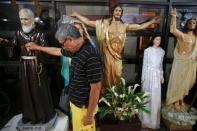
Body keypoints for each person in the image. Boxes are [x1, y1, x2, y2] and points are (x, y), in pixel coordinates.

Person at [26, 23, 102, 131]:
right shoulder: (77, 50)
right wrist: (37, 47)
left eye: (62, 43)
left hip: (84, 108)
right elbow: (57, 51)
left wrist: (89, 116)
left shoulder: (90, 55)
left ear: (70, 39)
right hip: (77, 104)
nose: (62, 47)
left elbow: (96, 88)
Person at [70, 5, 161, 91]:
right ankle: (108, 95)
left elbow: (140, 26)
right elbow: (89, 22)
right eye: (116, 10)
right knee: (107, 74)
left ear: (121, 13)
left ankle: (116, 93)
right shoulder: (104, 24)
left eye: (120, 11)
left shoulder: (124, 25)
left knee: (118, 73)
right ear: (112, 12)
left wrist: (152, 22)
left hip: (118, 55)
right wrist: (77, 15)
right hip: (107, 54)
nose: (118, 12)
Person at [2, 8, 55, 124]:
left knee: (38, 91)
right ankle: (29, 115)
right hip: (24, 66)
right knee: (26, 92)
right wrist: (7, 44)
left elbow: (47, 51)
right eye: (21, 19)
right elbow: (13, 52)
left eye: (25, 19)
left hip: (37, 67)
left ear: (32, 20)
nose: (23, 21)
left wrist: (38, 50)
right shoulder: (18, 33)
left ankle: (42, 115)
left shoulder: (39, 34)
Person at [166, 8, 197, 111]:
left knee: (188, 82)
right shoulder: (182, 35)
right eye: (191, 22)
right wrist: (174, 17)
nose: (193, 24)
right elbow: (173, 30)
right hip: (181, 61)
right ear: (187, 23)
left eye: (194, 22)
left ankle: (181, 98)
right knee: (178, 81)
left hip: (191, 63)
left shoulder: (196, 38)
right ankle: (175, 100)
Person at [140, 33, 165, 129]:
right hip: (148, 76)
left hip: (157, 77)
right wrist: (143, 77)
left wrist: (162, 76)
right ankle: (145, 120)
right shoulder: (147, 51)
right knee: (147, 96)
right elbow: (145, 65)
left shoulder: (162, 51)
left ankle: (153, 121)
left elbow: (160, 65)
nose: (158, 41)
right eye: (157, 39)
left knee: (155, 98)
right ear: (153, 40)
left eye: (160, 40)